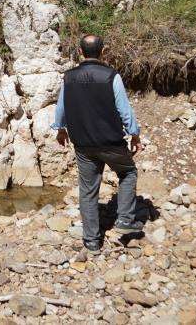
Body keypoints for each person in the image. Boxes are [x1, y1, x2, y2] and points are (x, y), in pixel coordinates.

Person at [52, 35, 143, 253]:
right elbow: (124, 109)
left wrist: (61, 129)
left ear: (80, 52)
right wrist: (135, 134)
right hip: (110, 142)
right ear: (103, 52)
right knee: (128, 173)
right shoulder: (111, 76)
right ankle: (124, 220)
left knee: (88, 190)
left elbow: (61, 108)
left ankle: (91, 241)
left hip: (82, 144)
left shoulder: (68, 77)